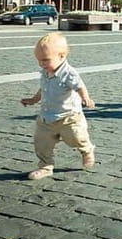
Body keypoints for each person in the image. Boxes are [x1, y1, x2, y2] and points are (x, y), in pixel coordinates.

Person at [20, 32, 96, 180]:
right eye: (39, 60)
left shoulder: (69, 73)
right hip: (47, 117)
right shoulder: (45, 72)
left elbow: (80, 86)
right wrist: (34, 100)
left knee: (76, 138)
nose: (41, 64)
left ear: (62, 56)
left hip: (69, 116)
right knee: (41, 143)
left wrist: (86, 98)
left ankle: (86, 150)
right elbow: (44, 88)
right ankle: (45, 166)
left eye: (45, 60)